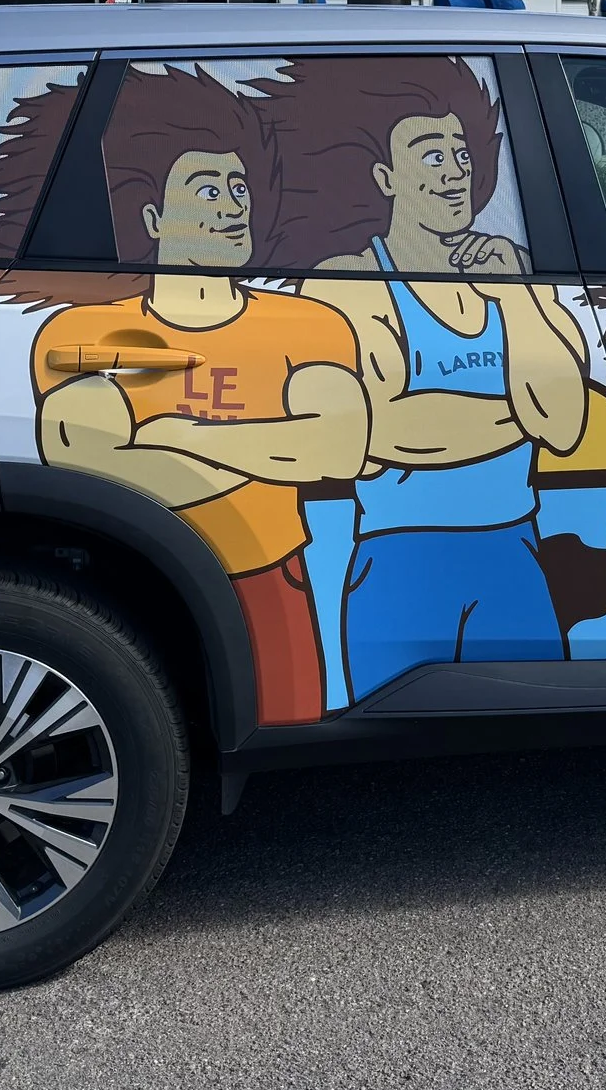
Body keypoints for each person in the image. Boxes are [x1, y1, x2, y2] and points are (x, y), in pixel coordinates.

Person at [29, 69, 366, 726]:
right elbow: (92, 460)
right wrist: (269, 448)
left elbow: (336, 446)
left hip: (273, 578)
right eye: (208, 189)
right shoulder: (80, 331)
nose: (233, 206)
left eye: (240, 188)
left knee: (291, 714)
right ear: (152, 218)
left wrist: (175, 433)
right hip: (133, 582)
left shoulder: (310, 322)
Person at [278, 58, 591, 701]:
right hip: (401, 557)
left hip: (516, 550)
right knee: (389, 730)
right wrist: (522, 410)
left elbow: (564, 425)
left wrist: (513, 296)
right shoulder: (348, 280)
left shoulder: (508, 268)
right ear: (385, 178)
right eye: (430, 154)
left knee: (532, 724)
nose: (454, 172)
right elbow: (387, 431)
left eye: (461, 154)